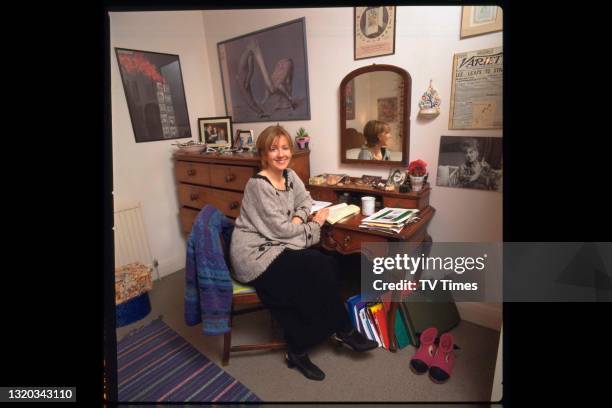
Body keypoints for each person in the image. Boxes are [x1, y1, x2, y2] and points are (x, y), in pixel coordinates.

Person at [230, 125, 378, 381]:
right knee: (316, 269)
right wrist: (314, 224)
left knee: (327, 265)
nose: (281, 153)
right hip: (254, 253)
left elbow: (305, 200)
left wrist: (299, 219)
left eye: (285, 148)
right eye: (273, 149)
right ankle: (323, 337)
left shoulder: (290, 175)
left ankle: (333, 331)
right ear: (264, 154)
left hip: (277, 244)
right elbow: (280, 229)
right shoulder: (258, 185)